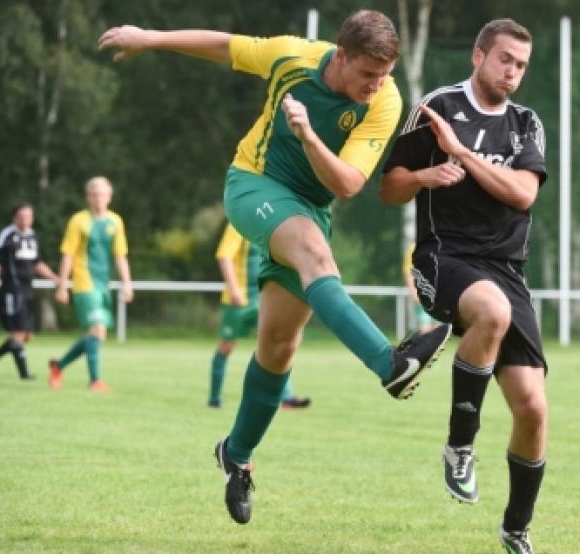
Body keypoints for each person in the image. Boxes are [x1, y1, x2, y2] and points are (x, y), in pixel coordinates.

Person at [97, 9, 452, 525]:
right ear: (341, 54)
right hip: (252, 186)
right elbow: (225, 45)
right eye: (367, 75)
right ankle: (390, 365)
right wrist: (149, 37)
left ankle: (235, 455)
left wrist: (309, 137)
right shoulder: (293, 56)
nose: (376, 87)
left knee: (278, 349)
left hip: (310, 209)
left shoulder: (387, 98)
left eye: (383, 76)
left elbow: (348, 185)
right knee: (316, 256)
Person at [380, 19, 548, 554]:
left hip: (507, 270)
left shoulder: (526, 124)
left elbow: (523, 195)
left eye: (521, 65)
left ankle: (516, 529)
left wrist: (464, 156)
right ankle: (459, 446)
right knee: (491, 313)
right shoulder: (437, 107)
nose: (512, 72)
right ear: (478, 56)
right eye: (504, 59)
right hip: (443, 257)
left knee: (533, 410)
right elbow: (389, 189)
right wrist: (426, 175)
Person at [209, 222, 310, 410]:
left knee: (278, 343)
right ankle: (214, 399)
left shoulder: (271, 224)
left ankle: (286, 397)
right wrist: (234, 289)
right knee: (227, 346)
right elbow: (224, 256)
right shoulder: (238, 224)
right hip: (237, 300)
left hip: (263, 299)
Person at [48, 176, 133, 392]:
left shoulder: (116, 221)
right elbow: (67, 254)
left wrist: (127, 283)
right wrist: (62, 285)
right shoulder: (78, 221)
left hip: (103, 283)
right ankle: (95, 381)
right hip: (84, 282)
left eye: (102, 193)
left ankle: (59, 365)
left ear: (110, 197)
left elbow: (120, 256)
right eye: (94, 193)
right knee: (97, 329)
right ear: (87, 197)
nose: (98, 198)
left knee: (97, 334)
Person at [0, 202, 59, 381]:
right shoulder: (7, 236)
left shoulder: (32, 236)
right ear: (14, 218)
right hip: (11, 290)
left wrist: (54, 278)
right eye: (22, 216)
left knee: (26, 335)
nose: (26, 220)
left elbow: (37, 263)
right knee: (18, 333)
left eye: (29, 216)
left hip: (26, 290)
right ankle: (24, 374)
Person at [402, 243, 438, 335]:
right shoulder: (415, 248)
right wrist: (413, 292)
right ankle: (426, 346)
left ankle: (432, 347)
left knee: (437, 329)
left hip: (438, 294)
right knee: (425, 326)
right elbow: (409, 272)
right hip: (422, 293)